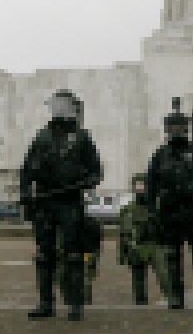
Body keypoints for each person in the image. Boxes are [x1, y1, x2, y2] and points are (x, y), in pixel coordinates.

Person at [20, 90, 103, 321]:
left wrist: (90, 179)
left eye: (65, 107)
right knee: (44, 254)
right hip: (45, 201)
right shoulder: (41, 137)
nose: (60, 111)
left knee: (74, 254)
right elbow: (26, 170)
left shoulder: (82, 138)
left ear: (74, 109)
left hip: (70, 202)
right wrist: (26, 194)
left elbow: (97, 169)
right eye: (57, 106)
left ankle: (76, 304)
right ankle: (46, 303)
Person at [146, 98, 193, 310]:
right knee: (172, 256)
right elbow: (151, 182)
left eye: (179, 126)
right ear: (167, 129)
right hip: (169, 212)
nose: (176, 130)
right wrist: (152, 208)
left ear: (186, 128)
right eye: (172, 127)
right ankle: (176, 297)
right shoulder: (160, 155)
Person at [117, 174, 171, 304]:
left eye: (142, 186)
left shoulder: (157, 207)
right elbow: (123, 233)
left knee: (163, 275)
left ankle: (172, 299)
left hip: (154, 245)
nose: (140, 189)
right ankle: (141, 302)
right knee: (138, 278)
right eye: (138, 186)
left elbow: (166, 227)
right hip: (136, 246)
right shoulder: (128, 209)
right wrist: (122, 253)